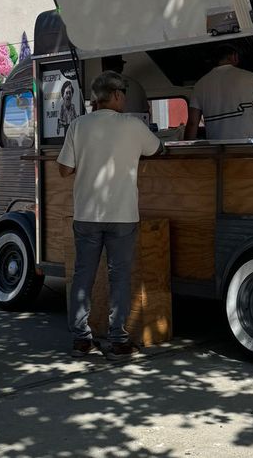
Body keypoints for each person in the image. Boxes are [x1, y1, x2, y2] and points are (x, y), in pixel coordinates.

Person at [57, 71, 161, 360]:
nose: (125, 98)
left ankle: (82, 340)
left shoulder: (78, 125)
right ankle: (118, 340)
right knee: (119, 277)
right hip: (122, 215)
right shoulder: (132, 125)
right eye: (123, 94)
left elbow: (64, 169)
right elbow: (156, 149)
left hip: (87, 214)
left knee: (83, 274)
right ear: (116, 95)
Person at [185, 44, 253, 140]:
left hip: (217, 149)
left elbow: (192, 123)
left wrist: (187, 150)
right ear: (234, 56)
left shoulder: (199, 85)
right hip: (246, 147)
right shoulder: (250, 77)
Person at [101, 55, 151, 124]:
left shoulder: (101, 85)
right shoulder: (136, 85)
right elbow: (147, 114)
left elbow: (95, 114)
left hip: (113, 130)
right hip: (136, 130)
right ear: (121, 67)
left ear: (104, 66)